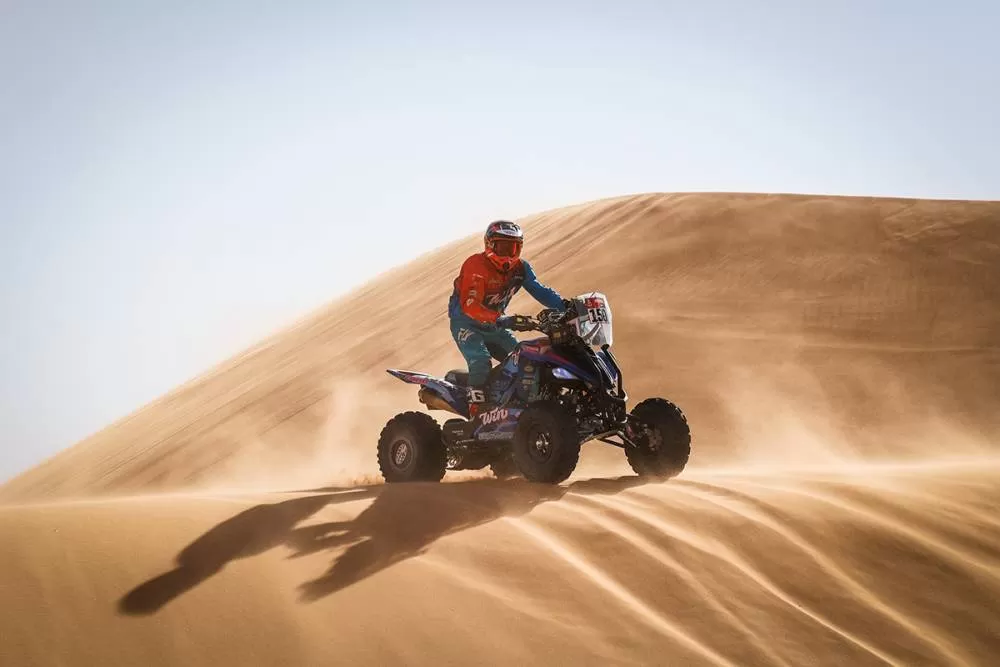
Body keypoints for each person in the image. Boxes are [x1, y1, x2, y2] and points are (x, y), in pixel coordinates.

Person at [448, 220, 566, 417]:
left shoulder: (521, 268)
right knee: (480, 360)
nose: (508, 253)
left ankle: (514, 403)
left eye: (513, 247)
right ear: (489, 245)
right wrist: (503, 319)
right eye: (503, 247)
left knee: (524, 358)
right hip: (466, 322)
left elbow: (540, 291)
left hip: (496, 325)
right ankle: (476, 409)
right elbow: (470, 305)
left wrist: (567, 306)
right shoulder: (476, 265)